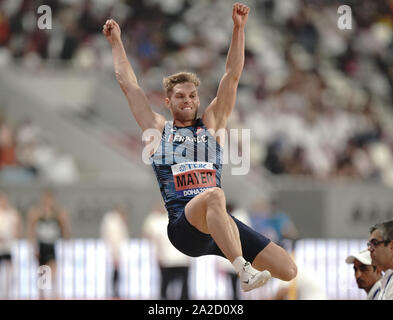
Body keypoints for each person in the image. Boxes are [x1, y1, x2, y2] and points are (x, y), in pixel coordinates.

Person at [103, 2, 297, 292]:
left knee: (288, 269)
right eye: (180, 96)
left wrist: (238, 29)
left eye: (193, 95)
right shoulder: (159, 129)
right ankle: (242, 270)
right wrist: (117, 42)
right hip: (184, 228)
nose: (188, 100)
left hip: (219, 226)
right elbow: (129, 85)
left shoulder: (211, 124)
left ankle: (238, 260)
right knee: (215, 195)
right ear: (168, 102)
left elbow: (232, 75)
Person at [27, 190, 71, 298]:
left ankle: (54, 294)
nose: (48, 202)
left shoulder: (57, 213)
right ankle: (42, 295)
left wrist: (67, 238)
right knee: (42, 273)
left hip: (51, 245)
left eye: (50, 199)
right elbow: (31, 230)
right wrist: (32, 247)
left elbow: (64, 229)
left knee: (53, 270)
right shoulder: (37, 213)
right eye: (46, 199)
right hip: (41, 245)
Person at [142, 202, 190, 300]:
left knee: (165, 285)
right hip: (180, 259)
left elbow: (149, 236)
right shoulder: (180, 221)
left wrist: (159, 256)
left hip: (168, 259)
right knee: (183, 287)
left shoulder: (158, 222)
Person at [100, 204, 129, 298]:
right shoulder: (112, 221)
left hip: (116, 250)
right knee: (114, 271)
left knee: (117, 271)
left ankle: (115, 290)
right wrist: (115, 252)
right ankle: (113, 290)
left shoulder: (116, 221)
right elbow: (114, 238)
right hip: (113, 250)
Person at [0, 192, 22, 299]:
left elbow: (17, 230)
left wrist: (12, 236)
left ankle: (7, 294)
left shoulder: (12, 214)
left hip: (7, 247)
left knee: (9, 272)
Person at [368, 220, 393, 300]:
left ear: (391, 246)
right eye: (369, 245)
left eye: (374, 243)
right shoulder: (386, 279)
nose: (369, 249)